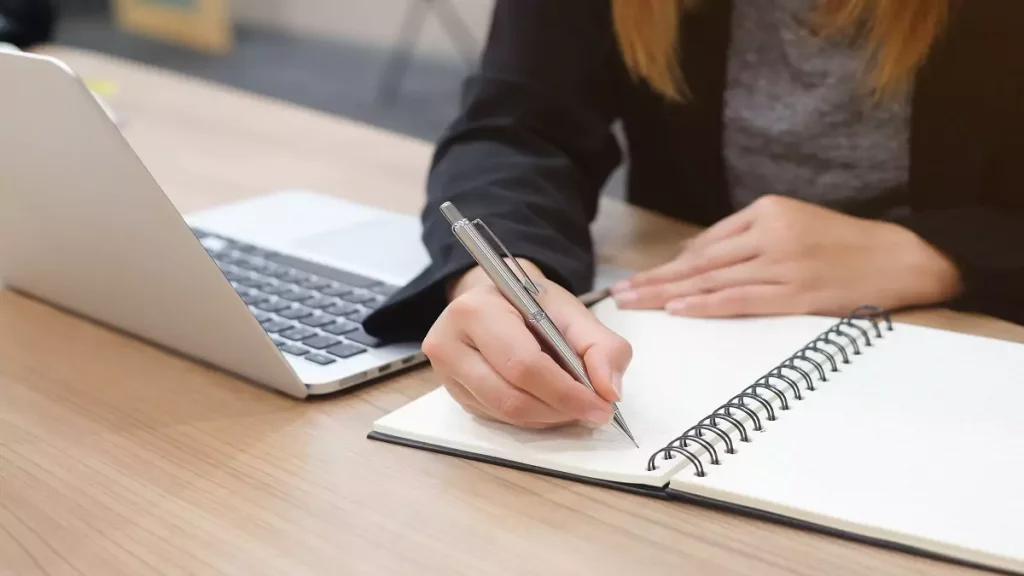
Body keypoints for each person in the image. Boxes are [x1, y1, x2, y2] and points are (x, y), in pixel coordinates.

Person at [364, 0, 1024, 431]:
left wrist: (941, 252)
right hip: (705, 343)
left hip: (967, 363)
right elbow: (517, 129)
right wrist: (502, 280)